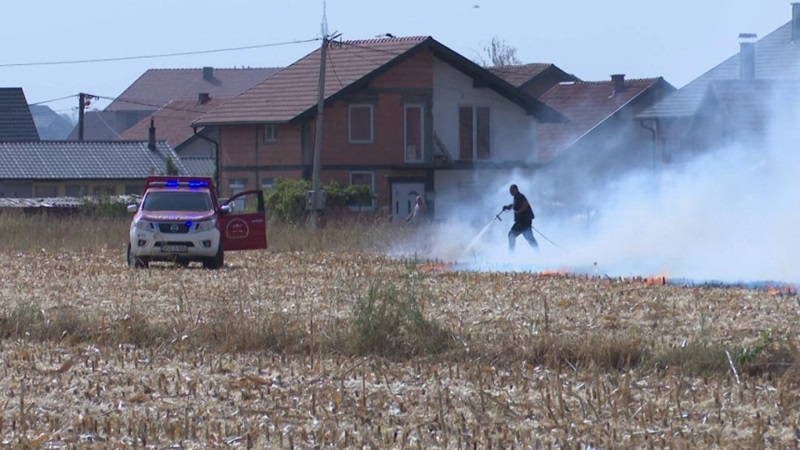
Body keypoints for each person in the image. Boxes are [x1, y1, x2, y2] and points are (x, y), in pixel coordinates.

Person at [502, 184, 539, 252]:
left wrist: (519, 211)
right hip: (524, 221)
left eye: (512, 190)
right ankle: (537, 252)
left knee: (511, 235)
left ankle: (511, 254)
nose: (511, 192)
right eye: (510, 191)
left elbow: (525, 204)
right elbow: (515, 205)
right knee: (529, 237)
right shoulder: (516, 197)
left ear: (516, 189)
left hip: (523, 222)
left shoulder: (520, 196)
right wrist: (508, 207)